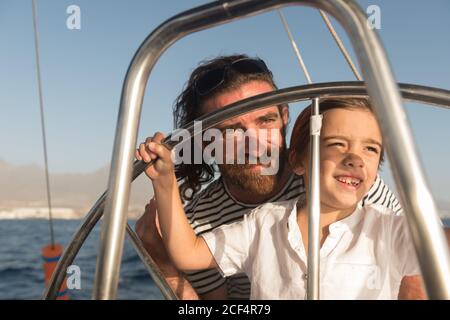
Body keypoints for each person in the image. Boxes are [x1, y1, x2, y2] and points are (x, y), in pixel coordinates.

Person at [135, 54, 406, 300]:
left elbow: (411, 278)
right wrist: (166, 265)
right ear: (206, 143)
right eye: (232, 131)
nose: (254, 144)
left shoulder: (347, 182)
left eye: (265, 121)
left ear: (284, 116)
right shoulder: (197, 224)